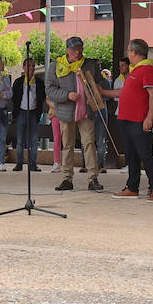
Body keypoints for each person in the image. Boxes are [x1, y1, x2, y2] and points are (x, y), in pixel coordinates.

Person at [47, 36, 104, 192]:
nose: (77, 53)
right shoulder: (56, 66)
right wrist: (67, 95)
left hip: (86, 111)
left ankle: (93, 178)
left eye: (80, 49)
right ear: (67, 50)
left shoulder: (90, 64)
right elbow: (50, 90)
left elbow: (100, 84)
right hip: (66, 112)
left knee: (89, 143)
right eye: (74, 50)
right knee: (68, 145)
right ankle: (67, 178)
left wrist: (93, 96)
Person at [110, 40, 153, 203]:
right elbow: (124, 92)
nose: (127, 54)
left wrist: (149, 117)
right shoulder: (135, 71)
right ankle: (132, 187)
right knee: (131, 155)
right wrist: (103, 91)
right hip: (126, 119)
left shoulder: (147, 69)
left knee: (145, 154)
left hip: (138, 120)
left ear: (134, 52)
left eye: (128, 50)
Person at [11, 57, 44, 171]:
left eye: (33, 66)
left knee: (34, 140)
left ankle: (33, 164)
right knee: (20, 140)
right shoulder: (19, 82)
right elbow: (14, 97)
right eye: (29, 66)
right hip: (21, 112)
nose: (31, 68)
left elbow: (41, 97)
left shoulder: (39, 82)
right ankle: (19, 163)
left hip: (34, 112)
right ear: (24, 67)